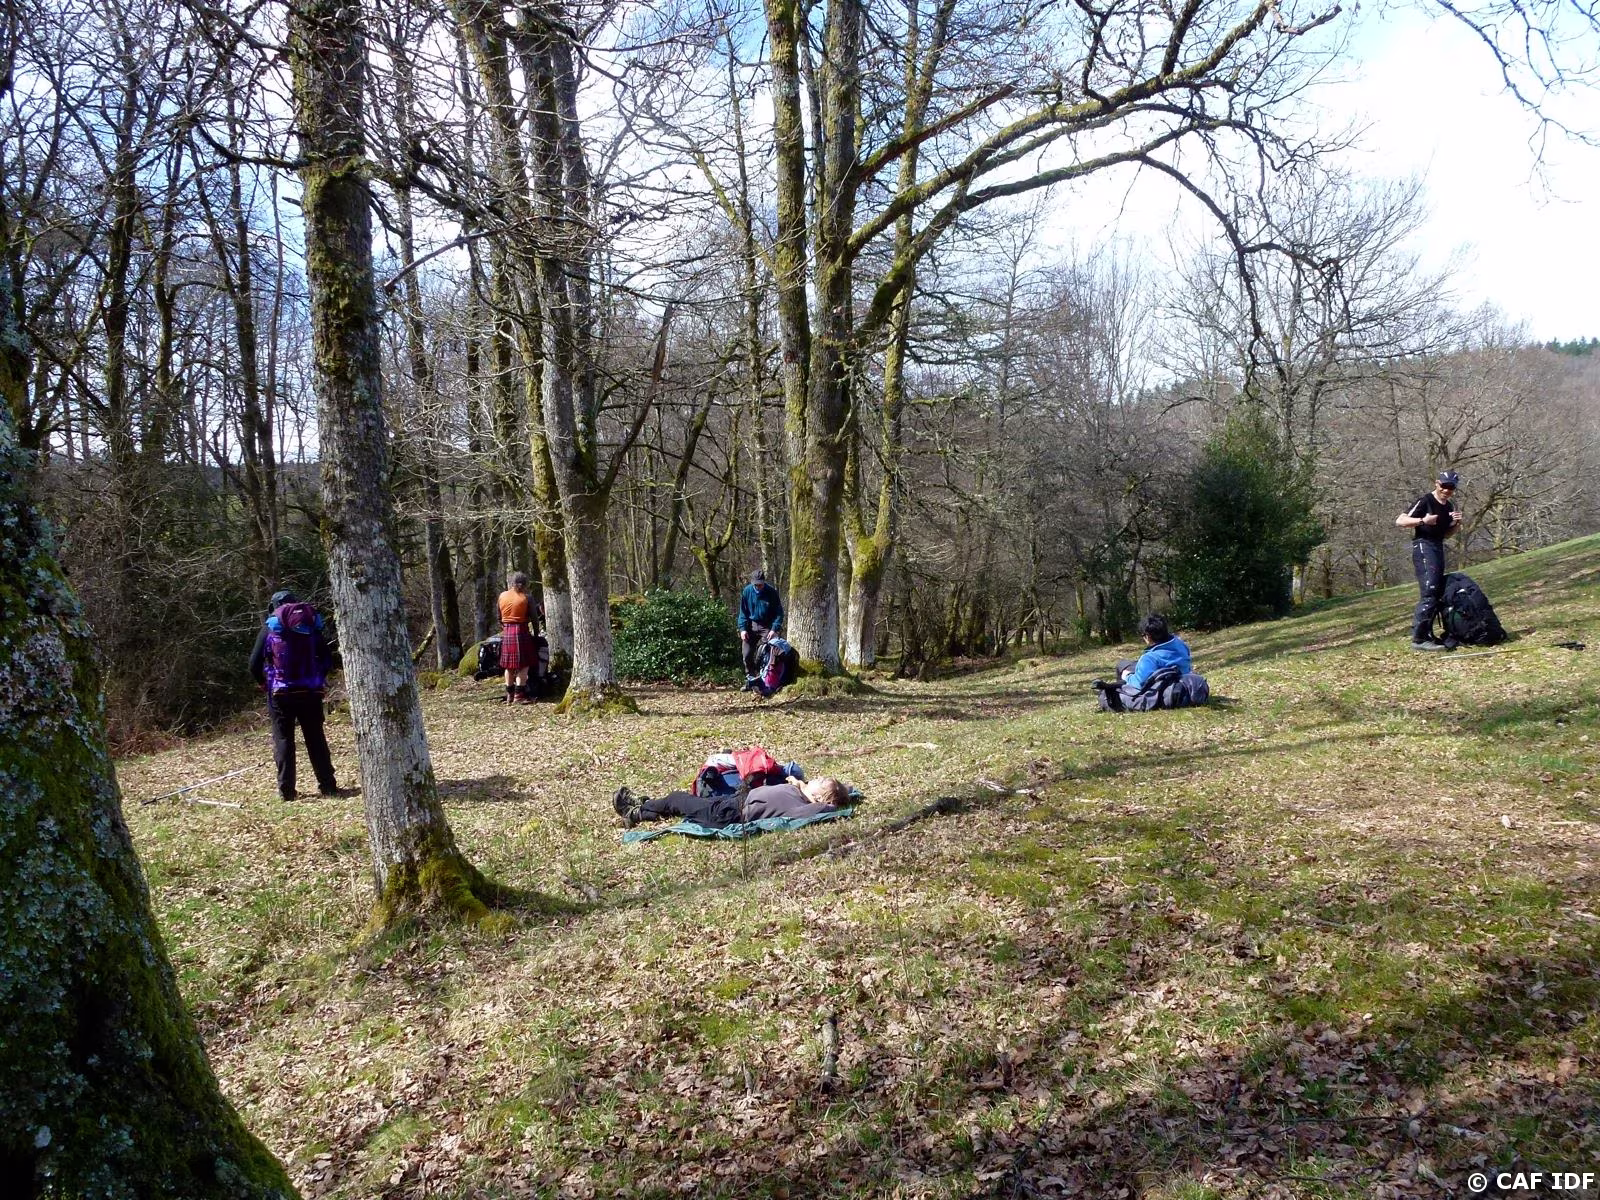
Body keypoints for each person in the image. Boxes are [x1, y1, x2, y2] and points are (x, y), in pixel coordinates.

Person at [248, 590, 347, 802]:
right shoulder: (310, 625)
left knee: (284, 739)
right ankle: (328, 786)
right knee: (315, 737)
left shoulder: (270, 626)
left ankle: (287, 791)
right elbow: (327, 658)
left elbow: (254, 664)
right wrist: (318, 678)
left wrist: (264, 683)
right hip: (310, 691)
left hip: (281, 693)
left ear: (274, 607)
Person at [613, 775, 849, 829]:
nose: (816, 778)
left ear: (820, 797)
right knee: (689, 801)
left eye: (821, 782)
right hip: (735, 801)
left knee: (677, 798)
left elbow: (829, 808)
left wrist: (826, 800)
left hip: (730, 813)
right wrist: (800, 784)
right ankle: (647, 808)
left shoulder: (807, 806)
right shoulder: (800, 793)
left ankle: (635, 811)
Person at [1395, 470, 1463, 650]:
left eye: (1451, 487)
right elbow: (1400, 521)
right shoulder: (1425, 500)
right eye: (1444, 486)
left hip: (1437, 546)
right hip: (1423, 546)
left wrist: (1456, 524)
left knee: (1437, 591)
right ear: (1437, 483)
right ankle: (1419, 639)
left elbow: (1446, 535)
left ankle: (1428, 635)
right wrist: (1423, 521)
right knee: (1430, 591)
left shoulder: (1449, 506)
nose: (1446, 490)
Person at [1092, 613, 1193, 711]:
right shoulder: (1180, 644)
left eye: (1143, 635)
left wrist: (1127, 676)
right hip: (1177, 678)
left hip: (1158, 686)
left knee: (1118, 675)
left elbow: (1138, 683)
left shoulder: (1150, 658)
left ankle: (1122, 689)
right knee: (1123, 664)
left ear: (1148, 636)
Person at [497, 572, 540, 702]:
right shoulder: (527, 598)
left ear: (511, 583)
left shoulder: (502, 596)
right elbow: (534, 618)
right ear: (525, 584)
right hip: (521, 631)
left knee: (508, 666)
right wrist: (536, 634)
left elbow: (499, 617)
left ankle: (509, 694)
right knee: (524, 665)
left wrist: (505, 627)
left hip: (507, 631)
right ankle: (519, 695)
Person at [738, 568, 785, 683]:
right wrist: (743, 629)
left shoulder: (771, 592)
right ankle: (750, 677)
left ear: (764, 582)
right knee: (747, 654)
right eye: (756, 585)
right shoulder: (747, 591)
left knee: (769, 652)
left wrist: (774, 629)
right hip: (751, 625)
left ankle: (767, 678)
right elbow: (743, 612)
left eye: (760, 584)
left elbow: (779, 613)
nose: (758, 587)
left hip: (767, 626)